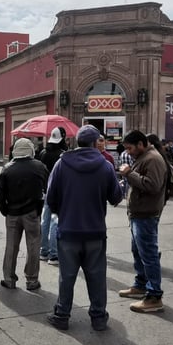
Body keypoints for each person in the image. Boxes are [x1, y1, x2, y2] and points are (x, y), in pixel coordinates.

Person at [45, 125, 122, 331]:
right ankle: (98, 317)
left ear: (76, 142)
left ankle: (62, 315)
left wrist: (62, 212)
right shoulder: (105, 166)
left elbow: (50, 197)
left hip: (68, 230)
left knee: (67, 276)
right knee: (97, 276)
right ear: (95, 142)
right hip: (95, 231)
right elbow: (116, 197)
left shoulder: (62, 164)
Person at [117, 130, 168, 313]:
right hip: (139, 213)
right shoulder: (145, 157)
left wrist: (129, 173)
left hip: (146, 214)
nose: (128, 152)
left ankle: (154, 295)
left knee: (148, 254)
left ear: (140, 144)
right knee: (138, 252)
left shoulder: (152, 159)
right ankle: (140, 285)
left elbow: (152, 186)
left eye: (130, 148)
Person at [0, 137, 48, 291]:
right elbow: (47, 187)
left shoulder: (7, 168)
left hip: (12, 212)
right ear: (30, 150)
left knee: (11, 246)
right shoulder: (39, 166)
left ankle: (9, 278)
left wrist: (4, 210)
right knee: (33, 245)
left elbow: (1, 194)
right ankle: (32, 280)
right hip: (32, 212)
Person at [38, 127, 68, 265]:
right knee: (55, 221)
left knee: (45, 221)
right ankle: (54, 254)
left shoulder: (43, 152)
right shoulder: (63, 154)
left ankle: (43, 251)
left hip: (45, 190)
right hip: (59, 191)